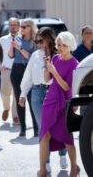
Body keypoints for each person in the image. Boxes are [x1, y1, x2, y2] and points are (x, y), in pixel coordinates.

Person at [19, 27, 68, 173]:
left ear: (49, 40)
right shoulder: (34, 55)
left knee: (58, 126)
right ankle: (45, 162)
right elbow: (28, 76)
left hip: (54, 93)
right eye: (37, 41)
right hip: (37, 94)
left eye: (41, 40)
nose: (39, 44)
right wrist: (22, 94)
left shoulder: (58, 56)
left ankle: (62, 153)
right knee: (44, 129)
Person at [38, 32, 80, 177]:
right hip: (50, 100)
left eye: (64, 45)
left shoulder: (75, 64)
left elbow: (67, 87)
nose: (61, 48)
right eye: (59, 45)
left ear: (70, 46)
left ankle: (74, 168)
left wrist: (54, 71)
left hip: (64, 103)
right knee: (44, 135)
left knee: (67, 138)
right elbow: (46, 79)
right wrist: (47, 67)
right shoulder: (55, 58)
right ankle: (42, 169)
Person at [9, 18, 38, 137]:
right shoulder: (18, 39)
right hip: (16, 70)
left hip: (29, 71)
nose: (22, 29)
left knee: (32, 100)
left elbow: (31, 58)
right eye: (21, 26)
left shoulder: (35, 41)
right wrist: (13, 45)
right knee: (19, 99)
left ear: (31, 28)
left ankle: (36, 128)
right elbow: (10, 55)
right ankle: (23, 128)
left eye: (24, 26)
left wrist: (19, 48)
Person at [0, 17, 19, 124]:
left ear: (18, 26)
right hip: (6, 70)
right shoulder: (2, 40)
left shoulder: (22, 40)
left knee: (16, 94)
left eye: (15, 24)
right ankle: (6, 108)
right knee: (5, 93)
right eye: (11, 24)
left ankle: (15, 115)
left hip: (18, 70)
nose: (13, 26)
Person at [72, 25, 92, 116]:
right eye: (86, 33)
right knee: (84, 105)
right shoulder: (77, 49)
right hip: (84, 81)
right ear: (82, 35)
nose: (88, 35)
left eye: (90, 33)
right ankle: (84, 126)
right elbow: (74, 65)